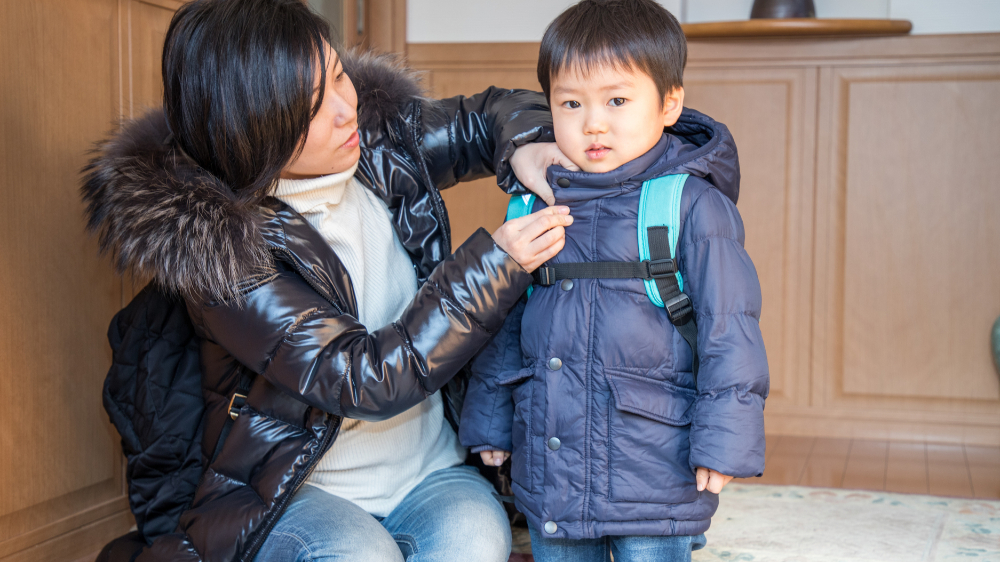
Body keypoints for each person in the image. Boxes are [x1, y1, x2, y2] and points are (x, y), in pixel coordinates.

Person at [80, 0, 579, 560]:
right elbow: (363, 378)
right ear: (250, 129)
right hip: (297, 492)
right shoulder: (225, 257)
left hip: (429, 473)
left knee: (475, 539)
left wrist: (528, 143)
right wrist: (494, 266)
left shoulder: (377, 143)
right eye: (310, 107)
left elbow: (486, 116)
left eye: (338, 75)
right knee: (362, 556)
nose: (346, 110)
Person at [459, 1, 770, 561]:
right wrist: (491, 422)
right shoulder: (532, 204)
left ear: (669, 102)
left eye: (618, 101)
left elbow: (731, 329)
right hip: (552, 458)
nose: (593, 123)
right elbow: (504, 323)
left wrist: (724, 440)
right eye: (571, 103)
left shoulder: (690, 205)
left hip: (654, 465)